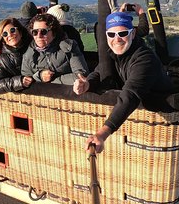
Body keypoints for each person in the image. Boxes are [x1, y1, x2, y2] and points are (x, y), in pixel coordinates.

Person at [74, 11, 172, 153]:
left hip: (157, 116)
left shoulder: (144, 59)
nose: (117, 39)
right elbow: (100, 71)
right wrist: (87, 84)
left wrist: (103, 133)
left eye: (123, 33)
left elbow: (130, 95)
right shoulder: (113, 53)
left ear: (133, 34)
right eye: (112, 34)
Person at [22, 13, 88, 85]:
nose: (39, 36)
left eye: (43, 31)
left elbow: (81, 76)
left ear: (54, 32)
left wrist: (51, 82)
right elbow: (26, 81)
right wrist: (39, 76)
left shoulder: (68, 47)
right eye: (35, 32)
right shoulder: (29, 54)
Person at [0, 17, 34, 94]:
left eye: (12, 30)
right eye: (5, 34)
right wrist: (18, 82)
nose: (10, 35)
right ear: (3, 39)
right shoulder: (4, 59)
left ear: (20, 31)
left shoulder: (35, 47)